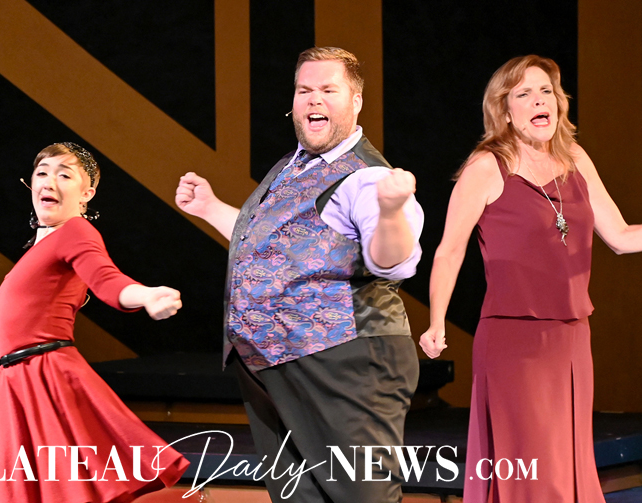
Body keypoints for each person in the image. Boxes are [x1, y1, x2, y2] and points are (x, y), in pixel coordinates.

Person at [176, 47, 423, 503]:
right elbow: (274, 249)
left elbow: (392, 262)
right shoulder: (294, 165)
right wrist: (210, 208)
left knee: (361, 497)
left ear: (356, 101)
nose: (314, 100)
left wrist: (391, 212)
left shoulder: (366, 177)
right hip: (274, 365)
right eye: (304, 90)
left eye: (329, 90)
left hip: (343, 364)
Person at [420, 55, 642, 502]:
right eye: (524, 94)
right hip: (514, 343)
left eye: (546, 92)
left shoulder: (575, 158)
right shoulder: (486, 167)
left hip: (572, 340)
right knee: (534, 472)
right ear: (504, 111)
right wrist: (437, 320)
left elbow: (619, 236)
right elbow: (450, 250)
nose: (540, 101)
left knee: (566, 466)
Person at [0, 142, 190, 503]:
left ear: (86, 194)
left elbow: (107, 279)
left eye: (64, 175)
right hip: (21, 380)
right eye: (42, 173)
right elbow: (27, 322)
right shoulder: (39, 249)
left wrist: (144, 295)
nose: (50, 181)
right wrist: (3, 373)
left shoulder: (76, 231)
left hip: (47, 378)